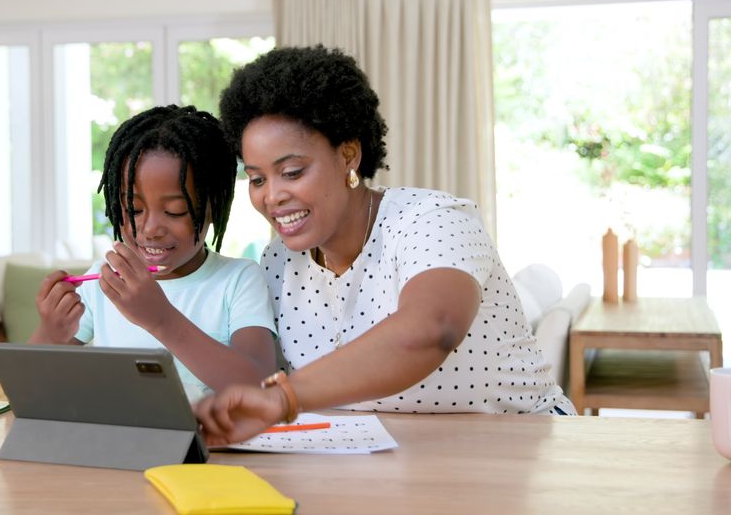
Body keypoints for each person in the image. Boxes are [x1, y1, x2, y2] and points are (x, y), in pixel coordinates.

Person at [194, 46, 575, 446]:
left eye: (291, 172)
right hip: (386, 467)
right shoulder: (278, 261)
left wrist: (283, 397)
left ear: (348, 155)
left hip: (522, 453)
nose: (272, 196)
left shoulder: (432, 220)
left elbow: (432, 328)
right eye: (257, 179)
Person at [29, 104, 278, 401]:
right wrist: (50, 333)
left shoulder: (238, 280)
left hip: (214, 445)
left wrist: (161, 319)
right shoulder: (105, 280)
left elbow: (259, 384)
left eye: (175, 211)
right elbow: (33, 387)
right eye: (133, 209)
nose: (150, 229)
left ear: (213, 208)